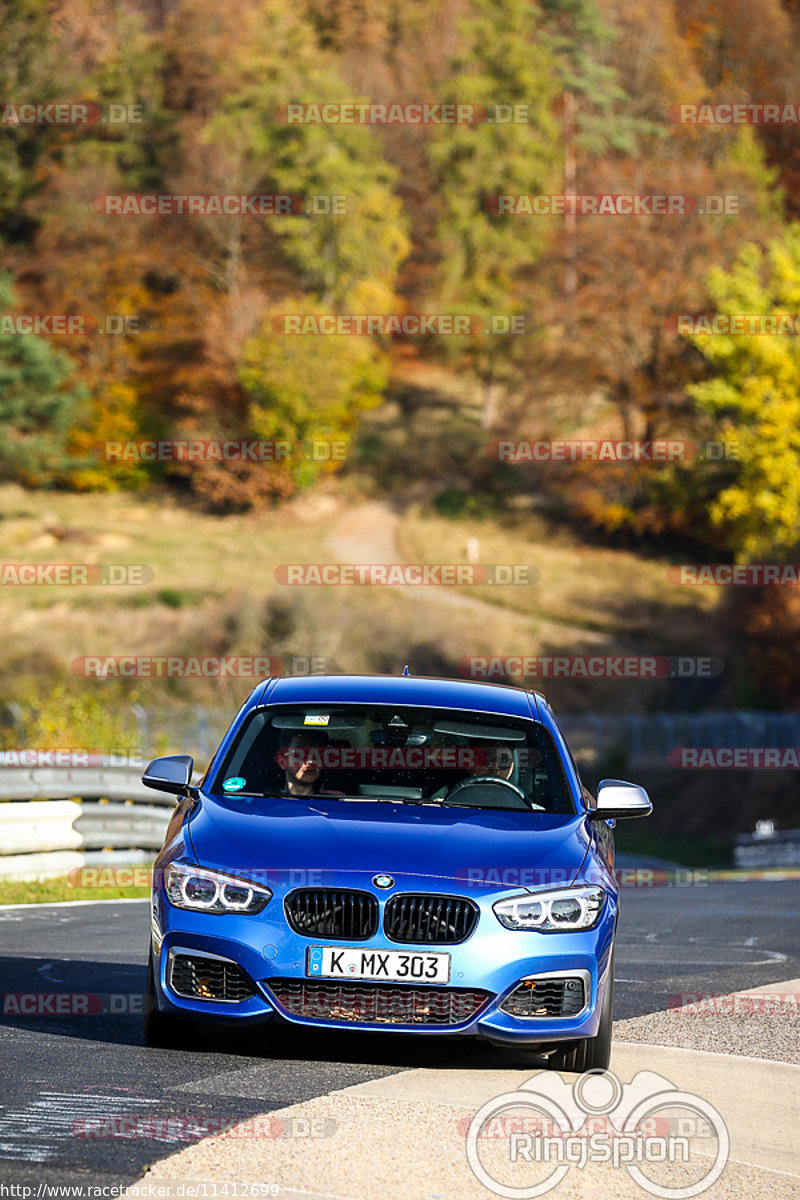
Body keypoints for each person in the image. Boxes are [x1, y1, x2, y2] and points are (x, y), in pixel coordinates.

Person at [275, 731, 343, 797]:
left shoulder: (338, 801)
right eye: (300, 754)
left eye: (316, 754)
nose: (310, 761)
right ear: (282, 762)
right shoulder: (268, 801)